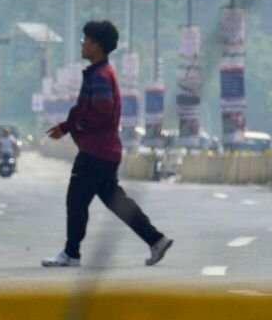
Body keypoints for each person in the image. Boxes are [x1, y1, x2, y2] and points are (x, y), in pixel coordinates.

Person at [41, 21, 174, 268]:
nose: (83, 44)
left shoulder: (101, 76)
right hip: (106, 151)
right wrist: (67, 126)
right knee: (117, 202)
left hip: (95, 152)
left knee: (76, 201)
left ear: (98, 46)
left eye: (87, 41)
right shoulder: (100, 73)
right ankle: (156, 239)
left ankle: (71, 254)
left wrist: (76, 125)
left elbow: (101, 111)